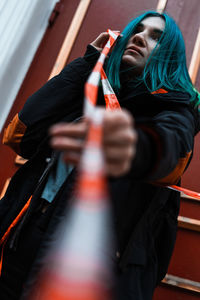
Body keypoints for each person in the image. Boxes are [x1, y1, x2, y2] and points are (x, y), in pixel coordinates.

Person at [0, 10, 200, 300]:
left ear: (169, 56)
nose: (140, 38)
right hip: (18, 243)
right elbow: (20, 136)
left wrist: (130, 144)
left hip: (88, 268)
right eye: (137, 31)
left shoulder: (175, 109)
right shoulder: (91, 91)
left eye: (155, 37)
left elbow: (170, 154)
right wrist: (87, 63)